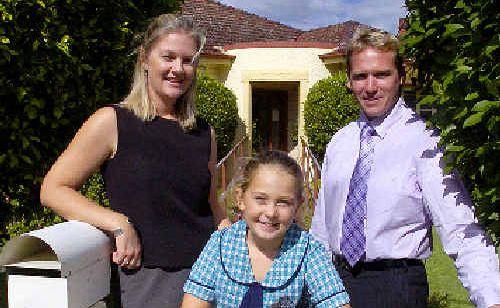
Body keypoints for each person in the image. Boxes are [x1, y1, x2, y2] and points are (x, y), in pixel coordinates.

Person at [40, 14, 228, 307]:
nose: (178, 69)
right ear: (145, 59)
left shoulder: (204, 132)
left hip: (209, 278)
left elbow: (211, 204)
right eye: (168, 57)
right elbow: (53, 188)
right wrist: (116, 222)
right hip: (148, 280)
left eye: (188, 60)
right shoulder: (112, 122)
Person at [310, 28, 500, 308]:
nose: (370, 86)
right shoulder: (340, 142)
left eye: (382, 74)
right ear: (349, 81)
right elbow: (321, 231)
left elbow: (460, 228)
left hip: (396, 289)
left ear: (401, 76)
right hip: (334, 288)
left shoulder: (425, 142)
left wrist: (491, 299)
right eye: (361, 76)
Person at [182, 150, 351, 307]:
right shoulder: (219, 245)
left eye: (283, 202)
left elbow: (336, 302)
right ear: (241, 199)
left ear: (298, 206)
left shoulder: (309, 251)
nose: (271, 213)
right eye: (261, 199)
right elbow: (194, 302)